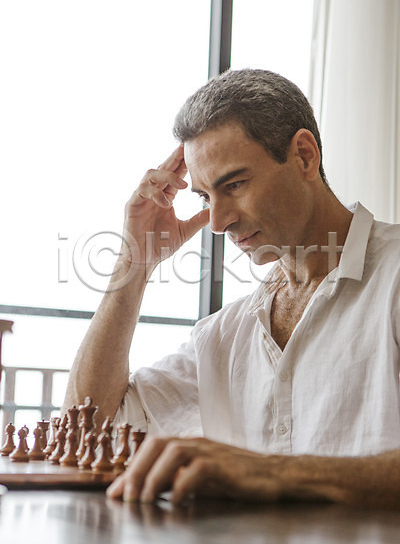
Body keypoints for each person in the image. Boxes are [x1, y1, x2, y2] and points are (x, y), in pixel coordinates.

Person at [63, 69, 400, 508]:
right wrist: (135, 262)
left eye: (234, 184)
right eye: (205, 197)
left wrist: (273, 473)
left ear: (304, 155)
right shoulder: (222, 336)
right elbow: (86, 431)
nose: (218, 223)